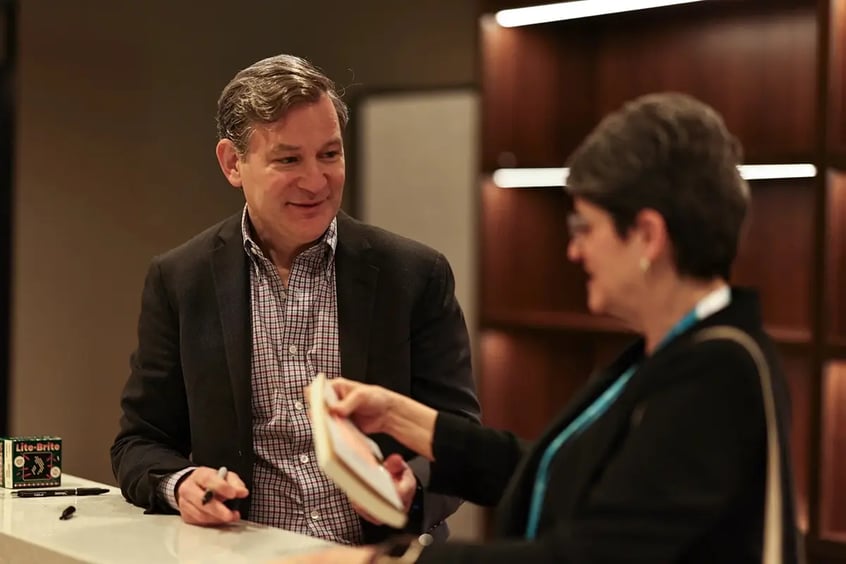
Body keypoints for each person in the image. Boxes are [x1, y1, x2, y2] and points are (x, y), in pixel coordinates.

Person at [281, 92, 804, 563]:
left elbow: (589, 555)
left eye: (585, 227)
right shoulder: (675, 352)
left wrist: (383, 562)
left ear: (647, 235)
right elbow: (559, 469)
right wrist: (399, 417)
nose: (575, 250)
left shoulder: (717, 375)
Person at [110, 53, 481, 546]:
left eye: (329, 154)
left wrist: (411, 488)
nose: (315, 181)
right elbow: (140, 441)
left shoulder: (414, 275)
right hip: (243, 552)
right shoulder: (181, 279)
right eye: (288, 160)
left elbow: (457, 436)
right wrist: (181, 485)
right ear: (232, 163)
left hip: (378, 554)